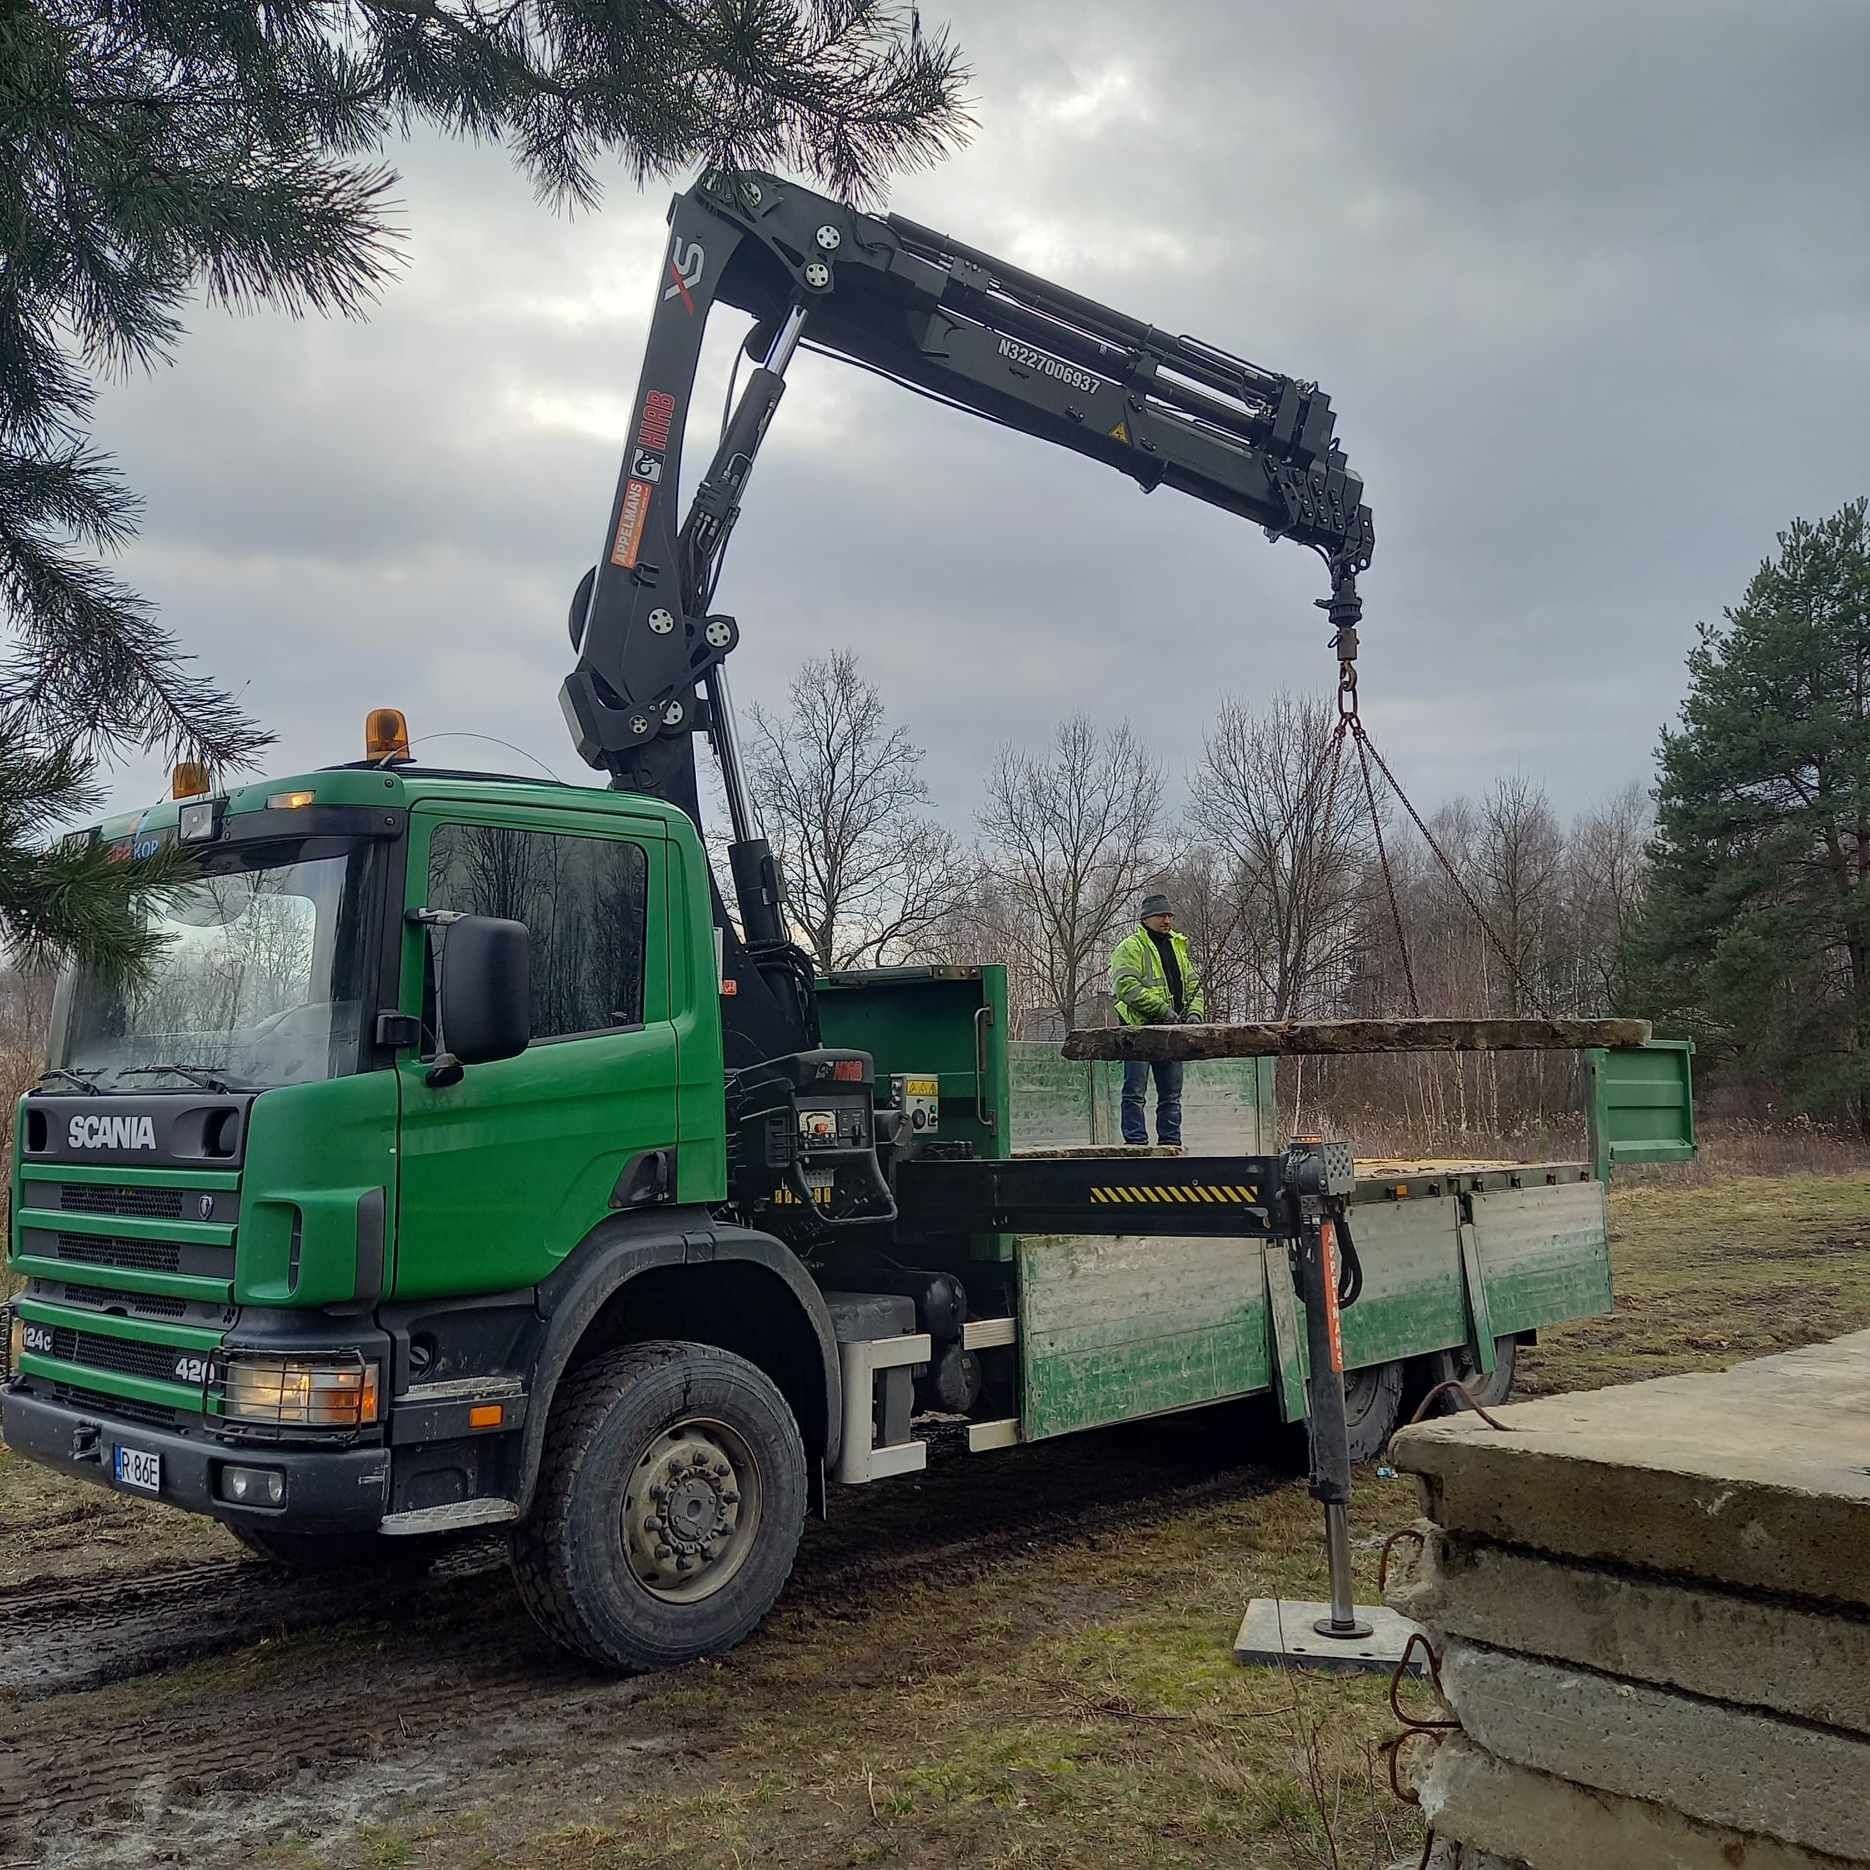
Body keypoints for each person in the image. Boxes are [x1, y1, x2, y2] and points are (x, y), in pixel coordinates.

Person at [1108, 891, 1205, 1146]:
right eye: (1162, 915)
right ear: (1146, 918)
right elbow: (1126, 986)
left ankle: (1170, 1143)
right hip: (1138, 1030)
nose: (1167, 920)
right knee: (1134, 1092)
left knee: (1171, 1094)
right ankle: (1136, 1143)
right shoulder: (1131, 947)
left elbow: (1194, 984)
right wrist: (1162, 1010)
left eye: (1169, 915)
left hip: (1171, 1030)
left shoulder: (1177, 946)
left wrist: (1194, 1013)